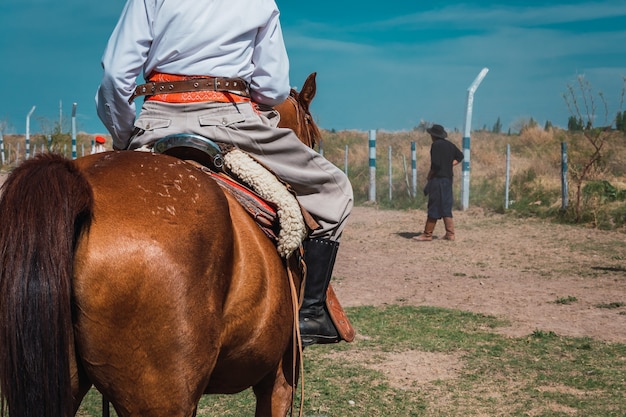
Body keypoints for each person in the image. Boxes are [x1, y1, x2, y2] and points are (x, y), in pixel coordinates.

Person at [95, 0, 353, 346]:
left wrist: (127, 136)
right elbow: (273, 90)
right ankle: (310, 314)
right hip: (229, 121)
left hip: (155, 120)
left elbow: (115, 74)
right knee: (335, 190)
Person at [414, 124, 463, 241]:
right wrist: (449, 164)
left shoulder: (435, 145)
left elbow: (435, 164)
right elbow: (460, 156)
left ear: (433, 135)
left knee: (434, 205)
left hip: (438, 179)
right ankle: (450, 234)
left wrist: (430, 174)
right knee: (446, 205)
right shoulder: (450, 145)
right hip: (448, 179)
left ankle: (427, 234)